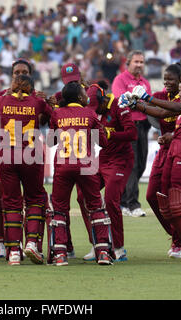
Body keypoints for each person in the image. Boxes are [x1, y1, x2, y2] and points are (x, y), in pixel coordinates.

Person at [129, 63, 181, 264]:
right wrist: (137, 105)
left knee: (179, 198)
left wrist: (147, 98)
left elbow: (176, 107)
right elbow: (162, 114)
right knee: (163, 197)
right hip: (176, 147)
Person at [47, 81, 113, 266]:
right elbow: (103, 142)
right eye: (84, 93)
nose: (87, 96)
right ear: (78, 97)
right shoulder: (90, 113)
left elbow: (51, 142)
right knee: (95, 207)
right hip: (87, 166)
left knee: (59, 209)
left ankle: (60, 254)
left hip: (63, 166)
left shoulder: (57, 114)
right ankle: (103, 253)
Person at [0, 75, 52, 265]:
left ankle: (14, 251)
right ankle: (32, 243)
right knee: (34, 198)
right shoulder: (37, 102)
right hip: (30, 155)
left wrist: (6, 96)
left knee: (11, 202)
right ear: (31, 89)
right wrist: (47, 100)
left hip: (7, 155)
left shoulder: (2, 100)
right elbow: (51, 114)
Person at [78, 83, 137, 262]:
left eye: (98, 107)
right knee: (82, 196)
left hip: (121, 160)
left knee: (111, 199)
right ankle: (97, 243)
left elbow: (132, 133)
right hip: (103, 158)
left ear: (104, 98)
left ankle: (118, 248)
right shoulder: (94, 110)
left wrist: (109, 134)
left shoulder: (119, 105)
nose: (96, 112)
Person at [132, 64, 181, 257]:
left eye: (171, 79)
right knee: (151, 195)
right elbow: (152, 113)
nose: (167, 82)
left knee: (172, 197)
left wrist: (141, 103)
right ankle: (177, 234)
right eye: (165, 79)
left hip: (180, 150)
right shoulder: (160, 95)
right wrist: (133, 101)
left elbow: (163, 113)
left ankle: (180, 242)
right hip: (164, 150)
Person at [111, 50, 151, 217]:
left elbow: (149, 101)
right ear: (128, 63)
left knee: (141, 164)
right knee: (132, 165)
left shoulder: (145, 82)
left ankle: (122, 201)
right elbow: (121, 101)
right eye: (136, 62)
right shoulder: (120, 79)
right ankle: (133, 205)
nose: (139, 65)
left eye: (142, 62)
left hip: (144, 124)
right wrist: (137, 101)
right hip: (128, 125)